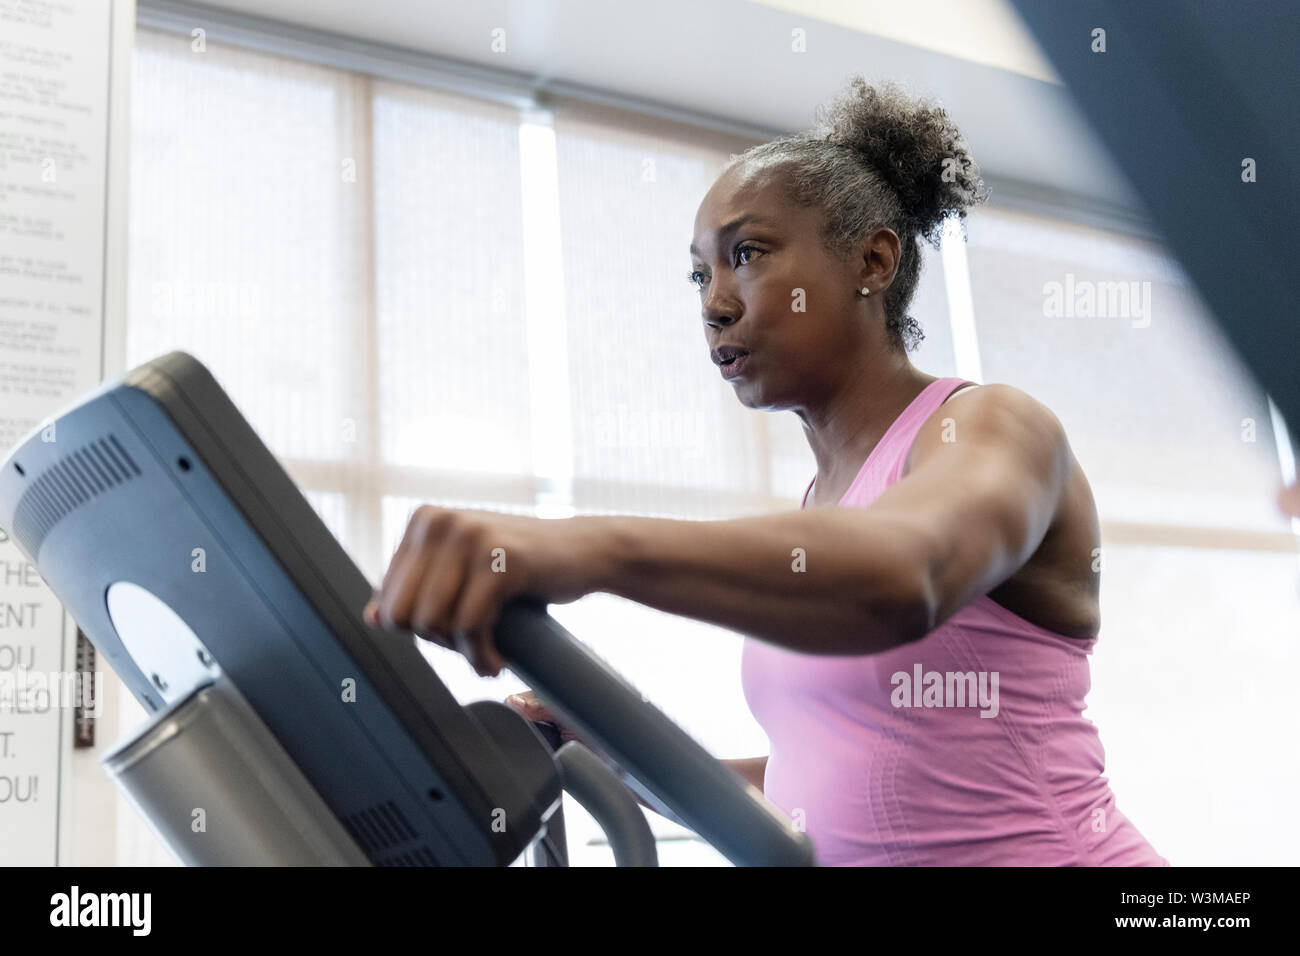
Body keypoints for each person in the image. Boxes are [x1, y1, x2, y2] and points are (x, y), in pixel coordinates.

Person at [364, 77, 1167, 866]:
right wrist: (616, 753)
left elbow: (909, 575)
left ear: (873, 261)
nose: (713, 303)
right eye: (699, 275)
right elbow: (811, 796)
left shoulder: (992, 426)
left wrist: (584, 549)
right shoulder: (825, 506)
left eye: (745, 255)